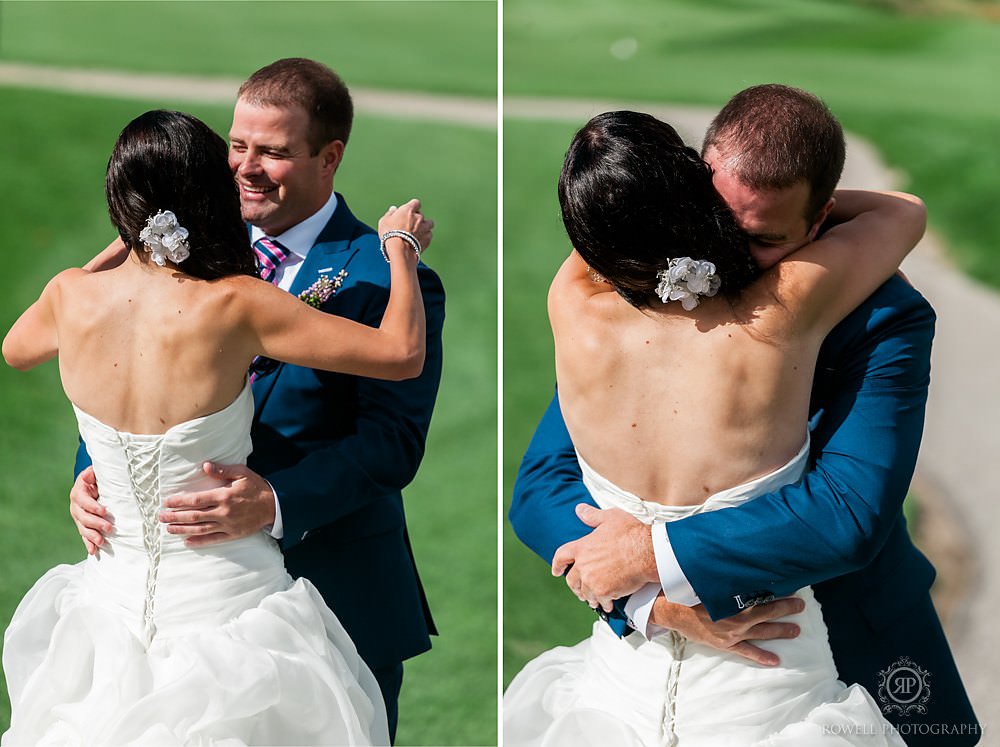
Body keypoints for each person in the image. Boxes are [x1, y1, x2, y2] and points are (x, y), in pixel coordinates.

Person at [509, 86, 980, 744]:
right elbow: (543, 481)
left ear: (818, 224)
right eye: (716, 222)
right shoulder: (643, 289)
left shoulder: (883, 316)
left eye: (759, 239)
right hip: (654, 661)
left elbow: (848, 510)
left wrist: (653, 552)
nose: (722, 258)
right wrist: (654, 602)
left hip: (849, 639)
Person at [1, 109, 433, 744]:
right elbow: (401, 354)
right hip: (229, 605)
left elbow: (15, 348)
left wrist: (129, 239)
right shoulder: (236, 304)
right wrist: (401, 248)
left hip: (111, 603)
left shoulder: (69, 296)